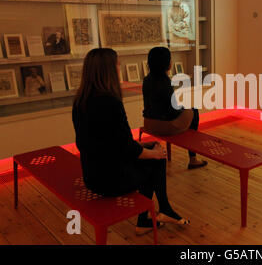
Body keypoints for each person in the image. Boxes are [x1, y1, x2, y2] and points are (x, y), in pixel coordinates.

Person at [72, 48, 189, 236]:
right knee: (157, 161)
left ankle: (160, 212)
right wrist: (154, 153)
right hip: (111, 180)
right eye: (117, 64)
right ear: (108, 70)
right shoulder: (111, 103)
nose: (120, 67)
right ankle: (147, 218)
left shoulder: (81, 101)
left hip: (92, 175)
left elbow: (107, 142)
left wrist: (146, 147)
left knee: (151, 151)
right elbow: (126, 148)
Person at [142, 46, 207, 170]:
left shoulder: (147, 80)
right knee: (193, 111)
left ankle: (193, 158)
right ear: (166, 63)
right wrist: (183, 110)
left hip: (148, 122)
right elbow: (171, 112)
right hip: (163, 126)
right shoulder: (164, 81)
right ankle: (193, 159)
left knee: (187, 110)